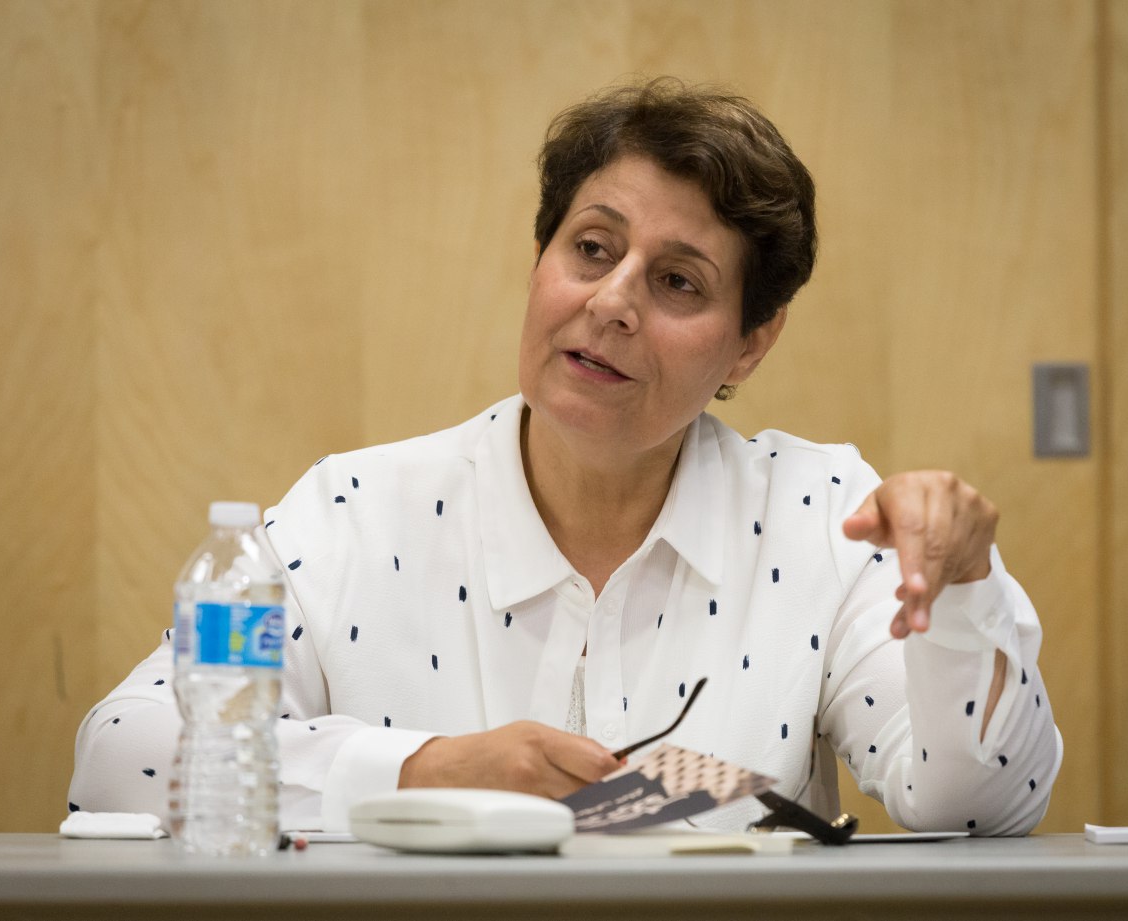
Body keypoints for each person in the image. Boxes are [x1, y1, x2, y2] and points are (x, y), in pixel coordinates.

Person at [69, 77, 1062, 835]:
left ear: (749, 345)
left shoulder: (822, 516)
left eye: (677, 282)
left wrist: (965, 593)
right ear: (540, 261)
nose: (612, 301)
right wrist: (421, 770)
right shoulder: (354, 512)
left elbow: (979, 808)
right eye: (591, 247)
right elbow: (121, 758)